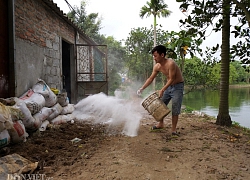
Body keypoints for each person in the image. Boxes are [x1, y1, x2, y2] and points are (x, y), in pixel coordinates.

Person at [137, 45, 184, 136]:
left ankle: (173, 130)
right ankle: (161, 124)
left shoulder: (171, 63)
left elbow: (171, 79)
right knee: (160, 104)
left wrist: (162, 89)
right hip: (168, 86)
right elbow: (150, 78)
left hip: (177, 86)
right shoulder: (157, 66)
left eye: (155, 56)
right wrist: (142, 88)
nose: (154, 58)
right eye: (153, 56)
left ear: (162, 55)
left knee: (175, 107)